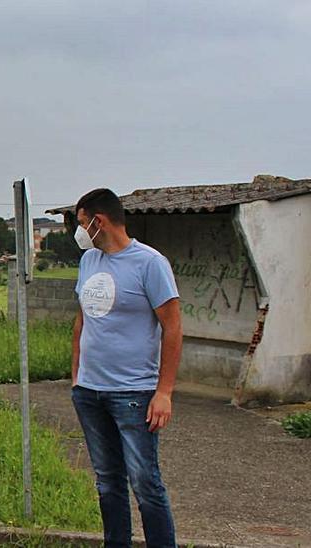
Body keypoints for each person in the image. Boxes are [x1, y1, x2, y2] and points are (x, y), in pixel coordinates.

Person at [70, 189, 182, 548]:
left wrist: (163, 392)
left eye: (82, 223)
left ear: (98, 221)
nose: (81, 232)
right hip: (90, 391)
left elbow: (173, 327)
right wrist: (76, 378)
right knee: (107, 481)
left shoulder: (150, 263)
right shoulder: (90, 261)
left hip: (133, 393)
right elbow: (81, 320)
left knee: (145, 482)